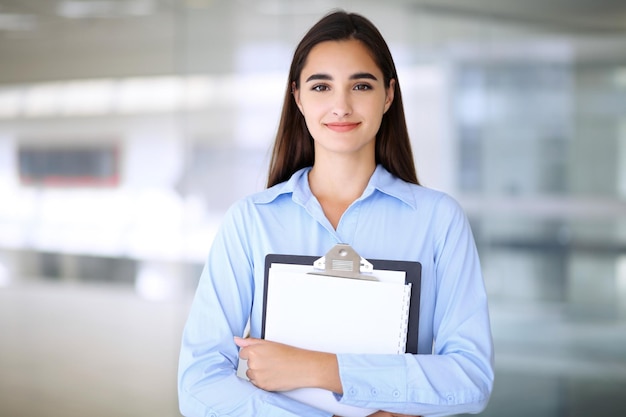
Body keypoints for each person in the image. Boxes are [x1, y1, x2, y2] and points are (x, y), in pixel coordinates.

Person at [178, 9, 494, 417]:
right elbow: (198, 384)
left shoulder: (438, 221)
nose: (341, 106)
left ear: (389, 95)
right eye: (321, 86)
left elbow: (469, 378)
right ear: (298, 98)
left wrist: (323, 368)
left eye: (361, 85)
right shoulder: (251, 221)